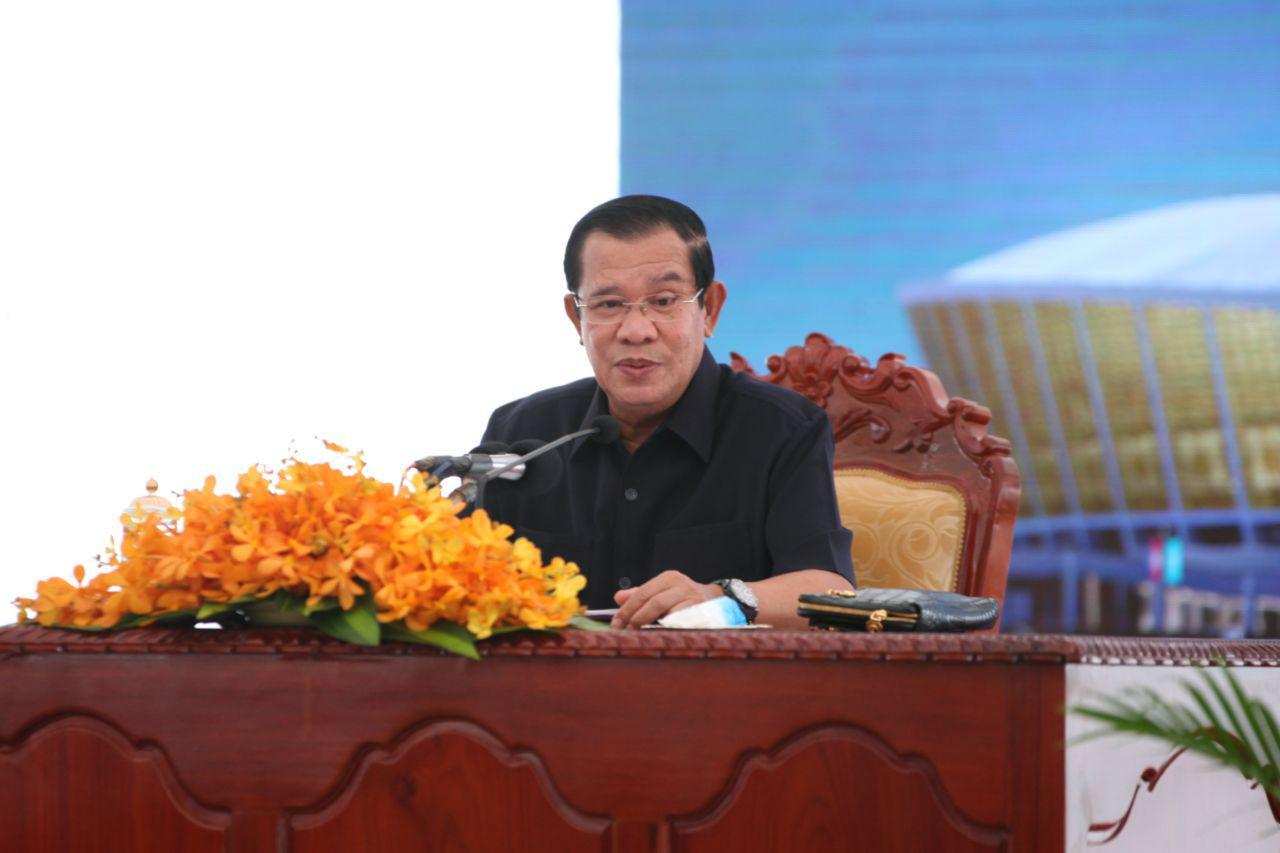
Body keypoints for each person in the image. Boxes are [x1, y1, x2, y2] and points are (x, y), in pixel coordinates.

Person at [480, 195, 853, 628]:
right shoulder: (524, 432)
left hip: (714, 672)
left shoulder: (781, 429)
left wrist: (721, 598)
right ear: (576, 317)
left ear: (710, 309)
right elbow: (462, 574)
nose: (636, 330)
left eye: (663, 301)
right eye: (608, 304)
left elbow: (830, 591)